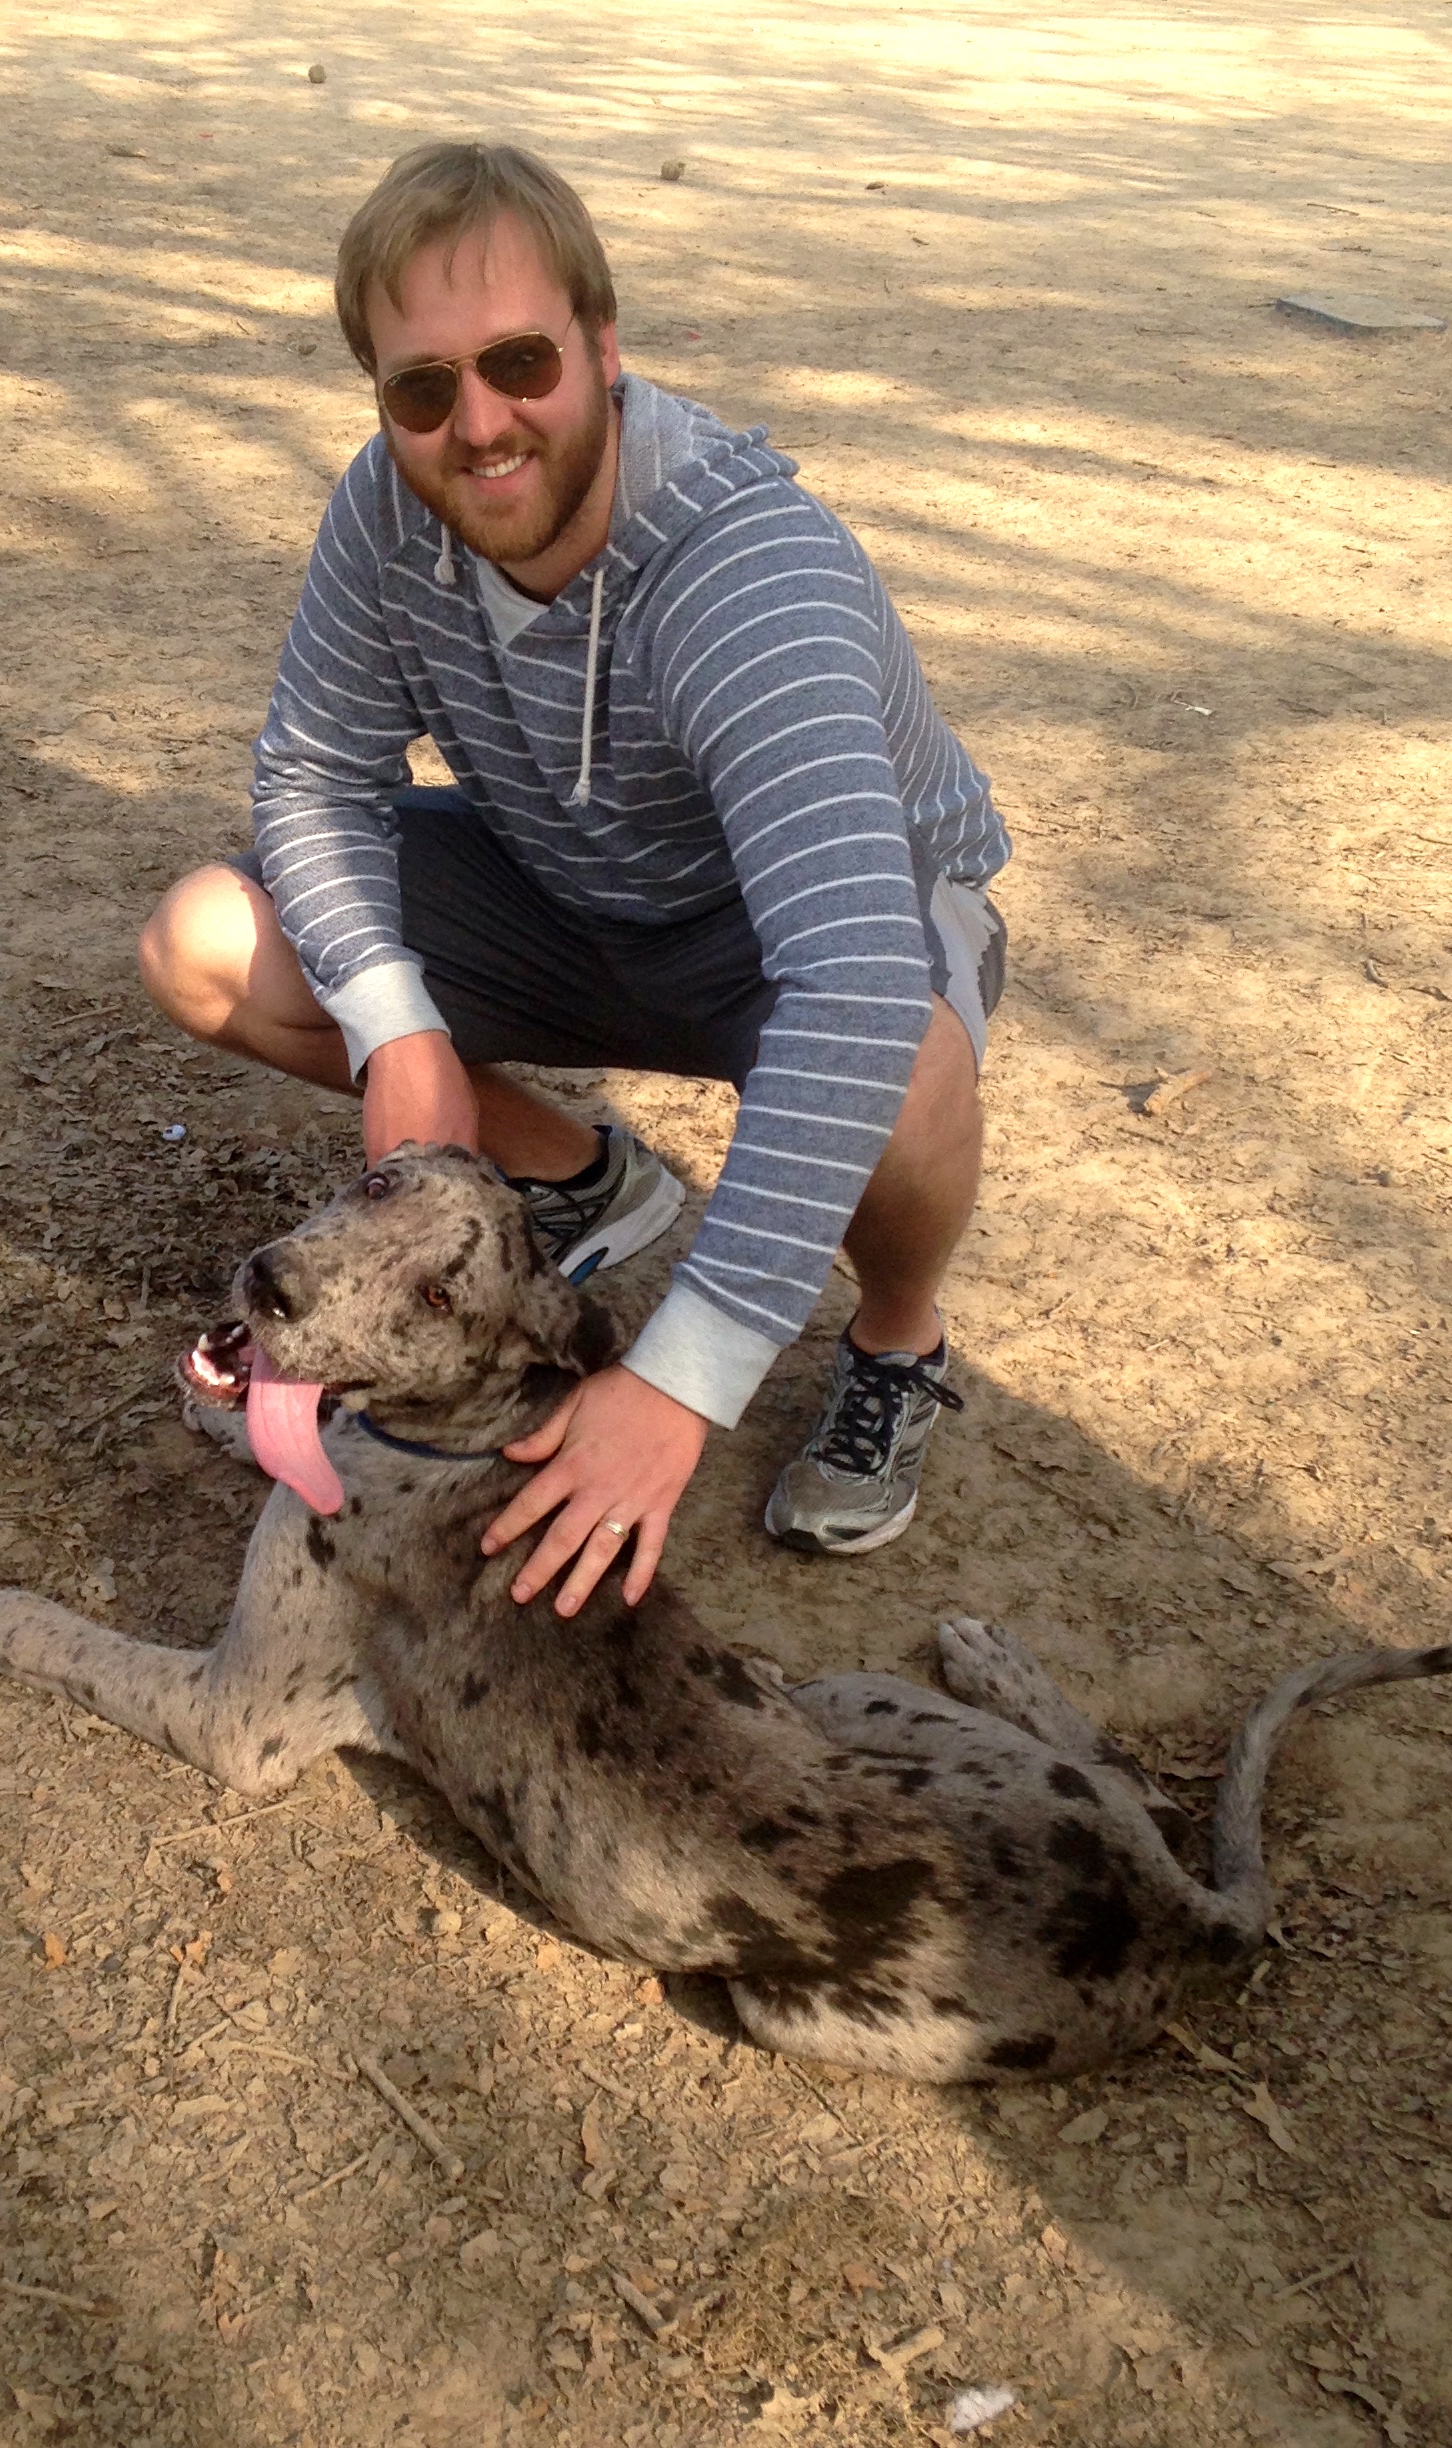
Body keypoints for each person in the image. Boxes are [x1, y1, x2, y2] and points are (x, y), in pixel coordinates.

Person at [140, 140, 1009, 1622]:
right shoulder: (385, 507)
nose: (478, 424)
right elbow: (315, 775)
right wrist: (397, 1029)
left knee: (904, 1055)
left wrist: (677, 1378)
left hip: (778, 934)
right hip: (563, 889)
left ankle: (895, 1339)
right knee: (207, 942)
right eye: (423, 387)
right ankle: (576, 1172)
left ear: (603, 346)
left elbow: (852, 977)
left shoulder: (748, 576)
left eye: (520, 362)